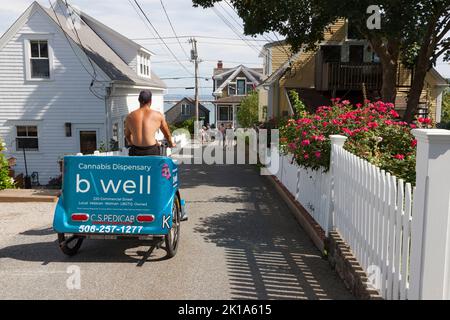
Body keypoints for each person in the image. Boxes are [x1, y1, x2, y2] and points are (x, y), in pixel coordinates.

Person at [125, 90, 176, 156]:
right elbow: (167, 134)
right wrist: (170, 144)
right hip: (151, 151)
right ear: (150, 101)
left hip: (135, 151)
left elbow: (127, 135)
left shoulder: (130, 116)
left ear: (139, 100)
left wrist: (131, 143)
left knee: (136, 166)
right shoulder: (158, 115)